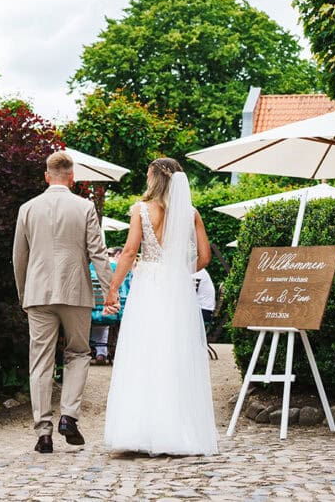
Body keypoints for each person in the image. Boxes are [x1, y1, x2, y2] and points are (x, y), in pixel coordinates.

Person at [103, 157, 219, 455]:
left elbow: (129, 252)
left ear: (154, 177)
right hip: (175, 289)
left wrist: (113, 288)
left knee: (144, 352)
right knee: (174, 354)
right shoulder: (190, 213)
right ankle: (175, 431)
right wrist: (178, 269)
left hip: (148, 288)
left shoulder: (141, 210)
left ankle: (139, 431)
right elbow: (204, 258)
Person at [13, 150, 114, 454]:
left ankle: (43, 433)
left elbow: (19, 257)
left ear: (47, 176)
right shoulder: (85, 207)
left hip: (38, 294)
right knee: (79, 353)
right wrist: (110, 292)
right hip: (75, 292)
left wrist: (23, 294)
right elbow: (98, 253)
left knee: (40, 362)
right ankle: (68, 416)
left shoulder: (27, 209)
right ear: (72, 177)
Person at [89, 249, 129, 365]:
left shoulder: (89, 266)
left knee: (99, 312)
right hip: (112, 314)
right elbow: (125, 293)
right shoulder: (118, 269)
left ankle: (97, 351)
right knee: (109, 313)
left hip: (89, 313)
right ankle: (103, 352)